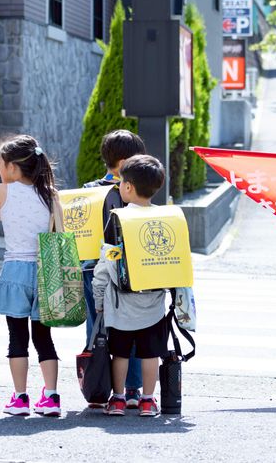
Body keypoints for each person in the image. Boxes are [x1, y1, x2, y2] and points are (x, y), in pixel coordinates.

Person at [0, 135, 62, 416]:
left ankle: (20, 398)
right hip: (46, 271)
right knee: (44, 337)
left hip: (16, 271)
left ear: (12, 168)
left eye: (0, 163)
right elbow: (60, 232)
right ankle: (52, 396)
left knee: (16, 337)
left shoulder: (2, 192)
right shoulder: (51, 194)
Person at [92, 155, 168, 417]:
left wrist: (99, 298)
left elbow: (105, 264)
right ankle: (147, 400)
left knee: (120, 354)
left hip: (120, 304)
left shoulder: (117, 219)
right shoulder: (165, 218)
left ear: (128, 187)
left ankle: (119, 399)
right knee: (150, 355)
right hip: (154, 303)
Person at [81, 129, 146, 409]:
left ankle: (97, 387)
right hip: (129, 271)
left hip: (91, 268)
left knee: (96, 328)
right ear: (124, 162)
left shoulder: (87, 191)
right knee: (131, 327)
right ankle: (131, 390)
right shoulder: (134, 191)